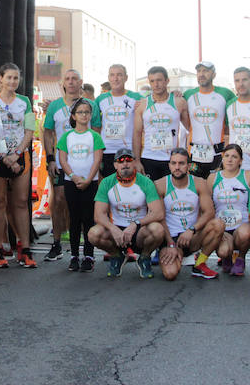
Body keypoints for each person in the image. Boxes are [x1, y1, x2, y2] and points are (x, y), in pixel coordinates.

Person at [0, 62, 37, 268]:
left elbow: (30, 130)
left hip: (20, 155)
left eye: (16, 78)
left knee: (21, 202)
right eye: (9, 78)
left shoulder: (24, 101)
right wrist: (4, 155)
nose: (13, 82)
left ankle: (24, 248)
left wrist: (16, 155)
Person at [87, 148, 165, 278]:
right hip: (117, 231)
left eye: (128, 160)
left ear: (134, 163)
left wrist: (135, 224)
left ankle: (144, 257)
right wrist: (113, 228)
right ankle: (116, 256)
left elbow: (158, 213)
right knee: (93, 234)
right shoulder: (107, 182)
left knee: (158, 230)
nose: (125, 164)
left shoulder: (145, 182)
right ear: (115, 165)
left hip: (139, 231)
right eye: (120, 161)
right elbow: (98, 214)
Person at [43, 69, 93, 261]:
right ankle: (56, 244)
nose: (71, 82)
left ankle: (84, 248)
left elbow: (96, 129)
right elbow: (47, 132)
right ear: (63, 82)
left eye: (75, 79)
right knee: (58, 200)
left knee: (84, 204)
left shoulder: (91, 105)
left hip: (84, 162)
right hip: (60, 162)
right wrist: (50, 158)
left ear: (81, 82)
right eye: (67, 79)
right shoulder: (55, 105)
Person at [155, 147, 223, 281]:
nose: (177, 167)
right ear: (169, 165)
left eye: (181, 163)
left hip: (192, 236)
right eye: (173, 163)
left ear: (189, 165)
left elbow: (209, 212)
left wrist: (192, 230)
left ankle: (199, 263)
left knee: (218, 224)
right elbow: (159, 217)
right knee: (170, 274)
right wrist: (170, 244)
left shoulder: (199, 183)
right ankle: (176, 255)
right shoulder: (160, 185)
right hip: (171, 238)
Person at [56, 98, 105, 272]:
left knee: (88, 218)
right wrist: (73, 176)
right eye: (80, 112)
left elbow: (97, 159)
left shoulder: (95, 136)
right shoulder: (67, 136)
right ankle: (74, 255)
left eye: (87, 112)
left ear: (91, 115)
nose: (84, 115)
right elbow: (63, 159)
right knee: (74, 219)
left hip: (90, 183)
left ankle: (89, 255)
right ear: (74, 116)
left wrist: (88, 179)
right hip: (71, 183)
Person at [209, 144, 250, 277]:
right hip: (222, 228)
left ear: (240, 160)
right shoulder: (213, 178)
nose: (230, 160)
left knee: (245, 233)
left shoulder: (248, 175)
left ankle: (240, 258)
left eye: (234, 157)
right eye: (226, 156)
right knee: (222, 252)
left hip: (242, 225)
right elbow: (207, 204)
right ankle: (226, 256)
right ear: (222, 158)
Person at [133, 66, 190, 181]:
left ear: (167, 81)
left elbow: (190, 129)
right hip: (149, 157)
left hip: (172, 159)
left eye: (159, 80)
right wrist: (137, 161)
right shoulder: (142, 105)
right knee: (151, 195)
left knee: (170, 195)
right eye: (152, 81)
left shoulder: (179, 102)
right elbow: (137, 134)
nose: (156, 84)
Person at [183, 61, 235, 179]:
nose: (201, 74)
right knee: (196, 189)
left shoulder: (225, 93)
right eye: (199, 71)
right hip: (194, 153)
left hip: (217, 153)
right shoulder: (188, 94)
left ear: (214, 75)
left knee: (215, 189)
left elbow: (240, 106)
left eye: (206, 71)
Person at [93, 64, 143, 180]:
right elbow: (93, 123)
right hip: (107, 151)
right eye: (112, 75)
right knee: (109, 187)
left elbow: (156, 102)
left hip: (128, 150)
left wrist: (176, 94)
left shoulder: (136, 97)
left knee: (128, 186)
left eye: (119, 75)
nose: (115, 79)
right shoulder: (101, 99)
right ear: (109, 78)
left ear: (126, 78)